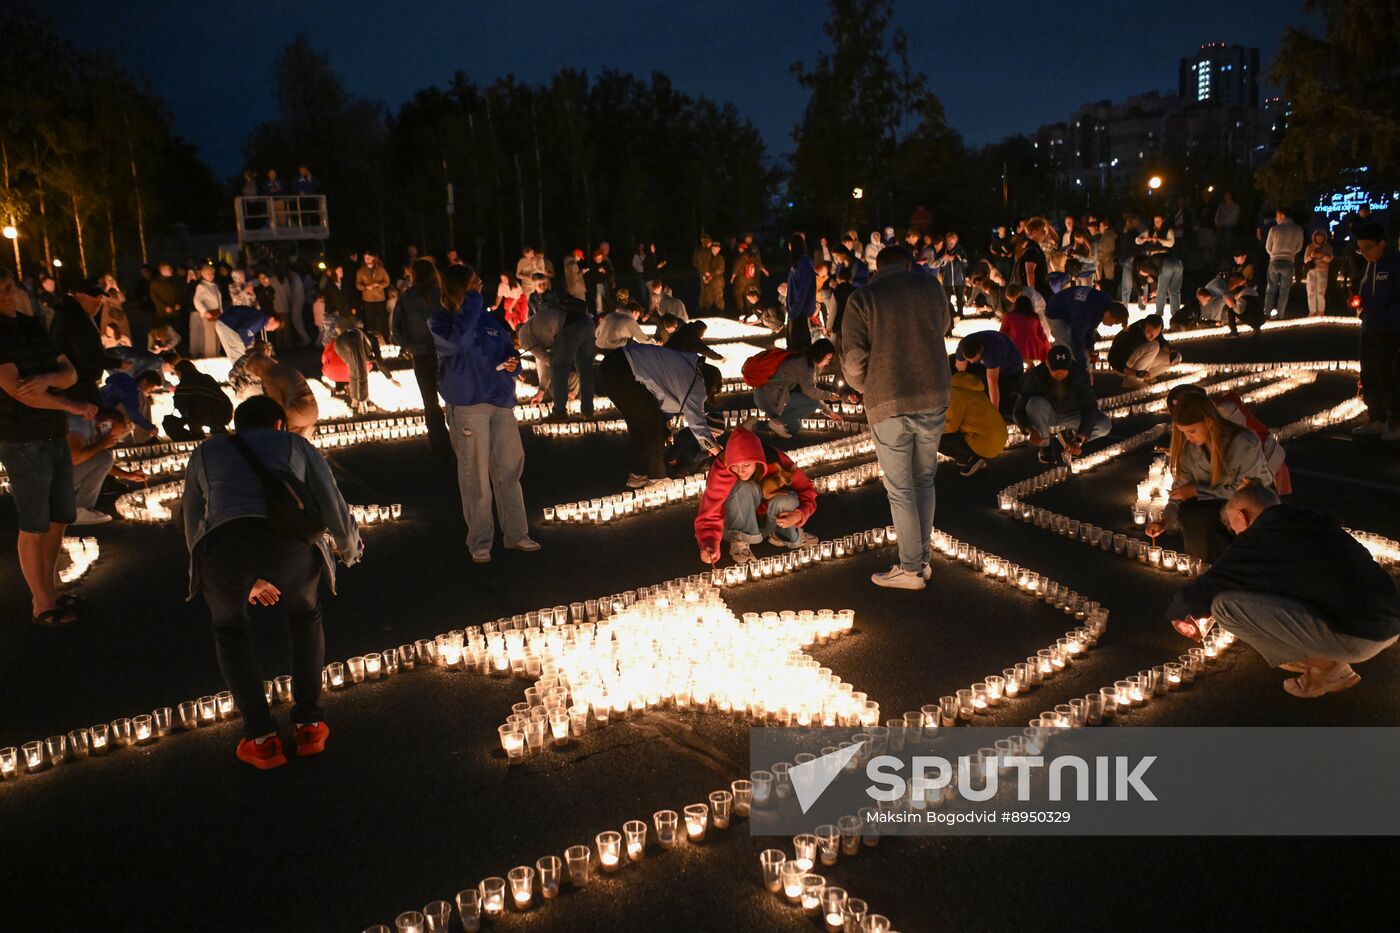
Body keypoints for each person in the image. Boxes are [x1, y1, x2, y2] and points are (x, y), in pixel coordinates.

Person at [181, 395, 361, 769]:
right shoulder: (295, 444)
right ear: (279, 423)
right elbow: (330, 499)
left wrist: (218, 571)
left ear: (238, 425)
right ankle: (310, 725)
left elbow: (193, 514)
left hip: (225, 548)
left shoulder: (207, 452)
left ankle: (261, 739)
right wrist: (348, 548)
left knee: (230, 632)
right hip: (289, 545)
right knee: (304, 617)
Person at [1166, 484, 1399, 697]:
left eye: (1235, 528)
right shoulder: (1308, 524)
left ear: (1242, 515)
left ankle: (1328, 667)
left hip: (1357, 635)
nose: (1237, 535)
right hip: (1389, 623)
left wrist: (1180, 612)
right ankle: (1313, 655)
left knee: (1224, 606)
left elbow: (1213, 583)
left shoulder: (1259, 536)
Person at [841, 245, 950, 590]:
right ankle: (922, 561)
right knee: (924, 481)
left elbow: (855, 356)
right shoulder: (931, 287)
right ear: (908, 264)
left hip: (888, 398)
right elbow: (944, 326)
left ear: (877, 268)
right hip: (933, 392)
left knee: (900, 489)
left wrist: (862, 385)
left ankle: (910, 569)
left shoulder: (863, 299)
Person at [0, 267, 100, 626]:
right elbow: (17, 392)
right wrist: (69, 404)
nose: (6, 297)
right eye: (0, 292)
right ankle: (41, 602)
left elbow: (68, 371)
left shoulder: (32, 325)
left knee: (59, 517)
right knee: (34, 522)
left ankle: (52, 589)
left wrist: (45, 379)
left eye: (8, 289)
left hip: (53, 434)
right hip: (22, 438)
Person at [431, 264, 538, 563]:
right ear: (459, 288)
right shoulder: (442, 321)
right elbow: (459, 344)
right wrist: (473, 302)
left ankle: (516, 534)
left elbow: (508, 350)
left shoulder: (491, 320)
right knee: (474, 475)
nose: (481, 285)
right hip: (468, 404)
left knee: (509, 469)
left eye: (479, 281)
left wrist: (514, 363)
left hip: (500, 400)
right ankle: (480, 541)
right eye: (474, 283)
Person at [1146, 395, 1273, 562]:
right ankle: (1202, 567)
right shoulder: (1189, 450)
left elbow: (1249, 491)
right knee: (1189, 513)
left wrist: (1197, 491)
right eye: (1183, 433)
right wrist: (1165, 520)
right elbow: (1178, 493)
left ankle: (1235, 565)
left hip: (1253, 501)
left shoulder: (1244, 442)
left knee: (1227, 516)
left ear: (1209, 422)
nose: (1188, 438)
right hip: (1214, 500)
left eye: (1192, 431)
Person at [597, 338, 721, 489]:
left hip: (612, 367)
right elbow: (698, 426)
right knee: (652, 427)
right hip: (623, 370)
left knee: (639, 426)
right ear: (713, 387)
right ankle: (657, 478)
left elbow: (661, 396)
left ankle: (638, 475)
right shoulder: (696, 382)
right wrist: (720, 453)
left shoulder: (688, 368)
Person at [694, 426, 818, 566]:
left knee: (788, 498)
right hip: (733, 520)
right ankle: (740, 542)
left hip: (765, 515)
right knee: (744, 485)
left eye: (746, 464)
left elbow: (807, 489)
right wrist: (709, 542)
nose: (741, 471)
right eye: (735, 466)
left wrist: (799, 515)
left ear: (757, 459)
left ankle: (783, 533)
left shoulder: (775, 459)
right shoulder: (722, 466)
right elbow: (710, 510)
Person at [390, 258, 452, 462]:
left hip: (420, 355)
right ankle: (461, 440)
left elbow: (396, 327)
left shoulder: (406, 297)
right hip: (445, 352)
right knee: (453, 395)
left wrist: (407, 345)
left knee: (430, 401)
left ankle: (439, 445)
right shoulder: (443, 293)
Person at [1014, 345, 1112, 465]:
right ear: (1047, 364)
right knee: (1035, 403)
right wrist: (1030, 431)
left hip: (1073, 414)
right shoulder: (1035, 376)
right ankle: (1045, 447)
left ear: (1070, 365)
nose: (1059, 377)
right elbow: (1017, 410)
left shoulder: (1080, 375)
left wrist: (1079, 440)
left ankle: (1072, 436)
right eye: (1056, 372)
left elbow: (1090, 408)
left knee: (1104, 425)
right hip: (1047, 415)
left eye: (1063, 372)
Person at [1350, 221, 1400, 438]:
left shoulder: (1394, 264)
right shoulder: (1368, 265)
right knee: (1369, 373)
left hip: (1390, 329)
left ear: (1382, 243)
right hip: (1369, 327)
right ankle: (1376, 418)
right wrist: (1359, 301)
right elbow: (1365, 292)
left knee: (1389, 375)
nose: (1365, 253)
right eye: (1360, 248)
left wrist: (1379, 309)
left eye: (1368, 247)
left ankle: (1396, 421)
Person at [67, 407, 146, 525]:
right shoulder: (81, 425)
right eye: (114, 435)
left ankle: (79, 509)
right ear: (107, 424)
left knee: (103, 456)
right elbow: (74, 458)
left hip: (59, 477)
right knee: (104, 456)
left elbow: (95, 463)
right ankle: (80, 510)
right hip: (51, 481)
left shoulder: (92, 428)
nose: (115, 440)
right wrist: (101, 444)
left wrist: (128, 475)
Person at [750, 339, 843, 438]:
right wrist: (829, 396)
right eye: (827, 358)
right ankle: (776, 422)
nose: (827, 362)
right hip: (770, 397)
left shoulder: (803, 360)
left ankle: (755, 425)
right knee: (813, 404)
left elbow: (809, 392)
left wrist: (830, 413)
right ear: (821, 354)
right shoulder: (805, 365)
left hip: (767, 396)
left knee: (794, 427)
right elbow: (810, 392)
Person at [941, 369, 1008, 477]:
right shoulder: (974, 389)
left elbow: (950, 427)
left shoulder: (955, 392)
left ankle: (969, 458)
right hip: (1000, 440)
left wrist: (929, 427)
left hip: (985, 444)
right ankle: (974, 457)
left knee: (935, 437)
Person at [1044, 283, 1120, 366]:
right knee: (1067, 347)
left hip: (1069, 310)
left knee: (1082, 349)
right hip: (1055, 311)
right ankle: (1068, 371)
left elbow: (1091, 329)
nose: (1111, 325)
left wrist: (1090, 349)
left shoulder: (1106, 305)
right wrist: (1082, 365)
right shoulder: (1087, 312)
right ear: (1109, 314)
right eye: (1112, 322)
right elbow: (1076, 338)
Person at [548, 292, 597, 422]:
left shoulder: (551, 312)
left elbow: (553, 332)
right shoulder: (571, 309)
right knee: (586, 369)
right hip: (588, 324)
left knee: (559, 368)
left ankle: (559, 411)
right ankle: (587, 410)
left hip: (572, 328)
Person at [245, 356, 318, 440]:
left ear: (257, 370)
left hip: (297, 413)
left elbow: (276, 405)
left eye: (250, 374)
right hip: (312, 411)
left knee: (286, 439)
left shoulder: (269, 378)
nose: (252, 378)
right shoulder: (285, 369)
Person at [954, 331, 1023, 418]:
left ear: (981, 351)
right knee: (952, 363)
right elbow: (959, 375)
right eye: (968, 359)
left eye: (973, 360)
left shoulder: (992, 352)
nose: (971, 362)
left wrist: (994, 413)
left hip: (1010, 373)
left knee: (1001, 405)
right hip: (985, 364)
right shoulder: (963, 347)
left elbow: (993, 384)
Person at [164, 359, 233, 439]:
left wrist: (186, 415)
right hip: (224, 413)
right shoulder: (207, 378)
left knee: (170, 422)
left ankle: (196, 438)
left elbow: (179, 404)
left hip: (201, 417)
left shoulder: (184, 385)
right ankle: (218, 430)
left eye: (178, 374)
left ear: (181, 372)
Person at [1108, 313, 1180, 388]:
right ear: (1143, 326)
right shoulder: (1131, 335)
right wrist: (1135, 373)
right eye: (1149, 333)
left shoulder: (1154, 330)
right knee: (1154, 345)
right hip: (1123, 365)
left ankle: (1145, 377)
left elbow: (1162, 341)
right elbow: (1114, 361)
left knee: (1170, 359)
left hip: (1139, 361)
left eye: (1156, 333)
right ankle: (1132, 381)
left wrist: (1172, 351)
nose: (1152, 336)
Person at [100, 369, 162, 442]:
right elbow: (134, 414)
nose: (149, 393)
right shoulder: (133, 391)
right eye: (150, 389)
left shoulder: (123, 382)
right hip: (106, 420)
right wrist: (151, 428)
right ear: (144, 382)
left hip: (99, 416)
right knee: (130, 425)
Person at [213, 293, 279, 362]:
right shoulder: (260, 319)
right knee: (239, 356)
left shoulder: (258, 317)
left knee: (237, 355)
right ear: (272, 319)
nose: (272, 330)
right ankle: (240, 372)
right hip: (228, 325)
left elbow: (247, 331)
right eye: (275, 327)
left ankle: (238, 371)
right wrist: (247, 345)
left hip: (225, 323)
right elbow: (244, 331)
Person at [1264, 208, 1304, 319]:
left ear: (1283, 215)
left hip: (1275, 261)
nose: (1276, 218)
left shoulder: (1274, 229)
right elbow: (1299, 247)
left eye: (1277, 215)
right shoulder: (1298, 229)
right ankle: (1280, 314)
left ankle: (1267, 312)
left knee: (1271, 288)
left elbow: (1268, 247)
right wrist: (1291, 254)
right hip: (1289, 261)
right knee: (1284, 290)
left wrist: (1273, 254)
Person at [999, 294, 1051, 364]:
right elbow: (1041, 334)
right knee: (1032, 365)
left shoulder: (1009, 316)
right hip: (1034, 347)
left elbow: (1002, 333)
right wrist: (1047, 348)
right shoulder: (1034, 317)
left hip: (1015, 347)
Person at [785, 234, 816, 351]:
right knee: (793, 342)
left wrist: (796, 309)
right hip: (794, 309)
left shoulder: (804, 262)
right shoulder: (797, 262)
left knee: (799, 343)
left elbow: (803, 289)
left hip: (799, 310)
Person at [355, 251, 391, 341]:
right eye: (365, 258)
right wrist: (366, 287)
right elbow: (358, 285)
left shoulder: (381, 269)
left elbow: (387, 282)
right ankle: (370, 340)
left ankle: (385, 339)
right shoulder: (361, 271)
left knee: (382, 320)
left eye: (368, 257)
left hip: (379, 299)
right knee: (369, 321)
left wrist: (379, 285)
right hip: (368, 299)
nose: (367, 259)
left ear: (373, 258)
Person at [1302, 229, 1333, 317]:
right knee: (1311, 290)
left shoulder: (1328, 247)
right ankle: (1312, 311)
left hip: (1323, 270)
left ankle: (1321, 310)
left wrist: (1322, 256)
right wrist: (1311, 256)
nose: (1319, 240)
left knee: (1321, 291)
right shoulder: (1310, 247)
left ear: (1324, 238)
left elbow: (1329, 259)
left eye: (1321, 239)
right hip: (1311, 270)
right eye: (1317, 238)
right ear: (1314, 238)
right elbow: (1305, 260)